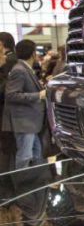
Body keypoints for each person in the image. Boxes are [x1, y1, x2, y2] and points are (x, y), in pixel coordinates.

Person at [3, 39, 46, 168]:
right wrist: (38, 95)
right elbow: (11, 95)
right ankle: (22, 185)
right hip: (24, 121)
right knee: (25, 155)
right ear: (33, 54)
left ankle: (34, 182)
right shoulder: (19, 70)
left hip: (30, 122)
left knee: (37, 153)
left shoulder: (24, 68)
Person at [0, 32, 17, 173]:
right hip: (11, 112)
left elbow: (6, 89)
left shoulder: (8, 61)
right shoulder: (13, 60)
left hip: (6, 111)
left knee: (8, 150)